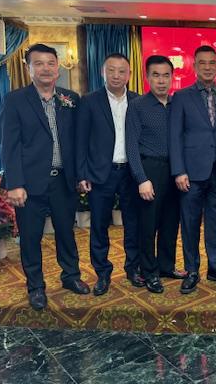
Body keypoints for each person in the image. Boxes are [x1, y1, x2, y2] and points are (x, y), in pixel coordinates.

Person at [0, 43, 89, 310]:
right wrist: (15, 183)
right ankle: (36, 287)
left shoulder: (70, 99)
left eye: (50, 63)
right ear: (29, 69)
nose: (45, 68)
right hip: (29, 184)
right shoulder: (15, 100)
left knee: (66, 232)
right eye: (38, 64)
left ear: (58, 67)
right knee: (30, 237)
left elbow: (79, 141)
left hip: (63, 180)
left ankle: (71, 276)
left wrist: (81, 175)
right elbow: (9, 145)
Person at [169, 45, 216, 294]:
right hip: (191, 173)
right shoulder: (181, 97)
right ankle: (192, 270)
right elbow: (175, 136)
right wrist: (179, 170)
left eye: (212, 63)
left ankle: (215, 267)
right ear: (195, 67)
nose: (207, 67)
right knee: (189, 224)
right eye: (202, 63)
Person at [76, 53, 142, 296]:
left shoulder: (138, 101)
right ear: (102, 73)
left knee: (133, 224)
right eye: (111, 70)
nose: (116, 75)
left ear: (129, 75)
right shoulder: (89, 101)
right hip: (100, 173)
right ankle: (102, 273)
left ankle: (133, 269)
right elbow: (80, 140)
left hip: (131, 173)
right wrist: (82, 174)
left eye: (121, 71)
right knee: (99, 225)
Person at [126, 55, 186, 294]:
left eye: (166, 75)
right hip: (150, 169)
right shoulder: (138, 105)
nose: (161, 81)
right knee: (148, 226)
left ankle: (166, 266)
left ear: (172, 77)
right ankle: (149, 271)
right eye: (156, 75)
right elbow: (131, 146)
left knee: (171, 222)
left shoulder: (177, 104)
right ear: (147, 77)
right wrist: (142, 179)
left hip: (176, 170)